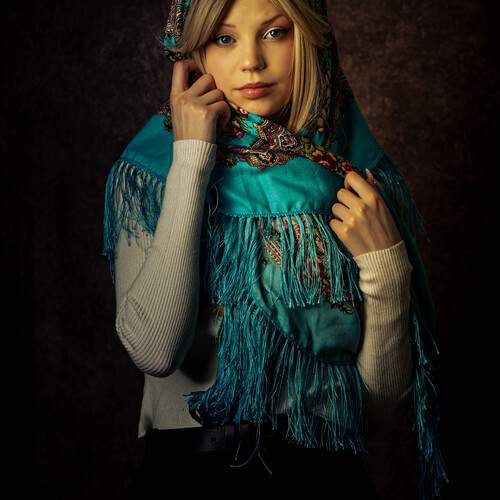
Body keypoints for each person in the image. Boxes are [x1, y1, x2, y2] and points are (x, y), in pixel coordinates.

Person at [102, 0, 448, 498]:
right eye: (224, 38)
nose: (251, 62)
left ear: (309, 37)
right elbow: (156, 351)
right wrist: (191, 158)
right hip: (190, 477)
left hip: (325, 479)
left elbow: (376, 416)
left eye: (274, 33)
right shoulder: (151, 170)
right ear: (193, 52)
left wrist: (387, 266)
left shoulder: (358, 176)